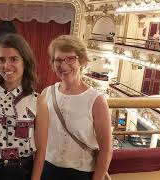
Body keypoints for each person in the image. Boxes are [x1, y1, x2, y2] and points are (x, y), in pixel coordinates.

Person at [0, 33, 49, 180]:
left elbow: (41, 149)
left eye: (14, 59)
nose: (6, 66)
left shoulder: (38, 100)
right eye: (1, 60)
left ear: (25, 61)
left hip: (23, 172)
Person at [41, 35, 112, 180]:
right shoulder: (46, 93)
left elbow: (106, 151)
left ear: (82, 60)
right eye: (58, 60)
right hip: (47, 170)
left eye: (70, 59)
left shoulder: (96, 101)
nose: (64, 65)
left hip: (81, 174)